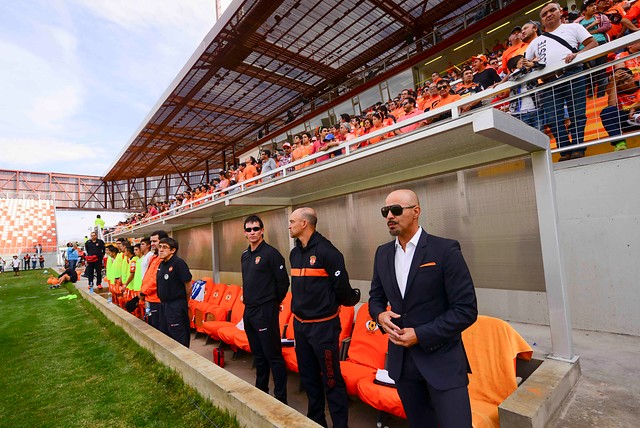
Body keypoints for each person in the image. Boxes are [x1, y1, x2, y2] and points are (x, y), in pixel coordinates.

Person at [369, 189, 478, 428]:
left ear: (416, 212)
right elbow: (375, 298)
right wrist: (379, 314)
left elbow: (466, 310)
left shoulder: (445, 250)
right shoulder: (382, 254)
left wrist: (420, 334)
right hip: (402, 364)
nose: (389, 216)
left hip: (442, 361)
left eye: (396, 210)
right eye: (385, 211)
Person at [288, 207, 359, 428]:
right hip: (300, 328)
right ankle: (316, 421)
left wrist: (351, 298)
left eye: (292, 221)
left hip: (323, 329)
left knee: (331, 379)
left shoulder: (329, 252)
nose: (289, 225)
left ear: (304, 224)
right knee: (309, 379)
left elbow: (342, 290)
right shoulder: (294, 253)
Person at [525, 2, 598, 161]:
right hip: (548, 82)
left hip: (572, 73)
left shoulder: (574, 27)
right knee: (553, 119)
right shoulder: (536, 42)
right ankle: (565, 151)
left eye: (552, 10)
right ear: (542, 21)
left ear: (560, 12)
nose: (548, 15)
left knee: (577, 113)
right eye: (544, 14)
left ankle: (578, 148)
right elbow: (523, 62)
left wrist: (578, 55)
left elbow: (593, 43)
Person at [241, 215, 290, 403]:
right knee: (258, 355)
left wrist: (271, 303)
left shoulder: (271, 254)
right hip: (249, 311)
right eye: (249, 229)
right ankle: (261, 391)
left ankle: (280, 398)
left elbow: (283, 283)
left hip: (265, 311)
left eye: (256, 229)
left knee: (273, 356)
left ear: (262, 230)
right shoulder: (245, 255)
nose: (252, 232)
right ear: (245, 233)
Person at [156, 237, 192, 347]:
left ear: (173, 250)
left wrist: (185, 303)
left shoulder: (178, 263)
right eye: (160, 247)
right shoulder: (162, 264)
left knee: (178, 334)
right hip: (163, 304)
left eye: (165, 247)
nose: (161, 250)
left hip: (176, 305)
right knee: (165, 333)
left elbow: (188, 285)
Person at [599, 67, 639, 151]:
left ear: (634, 76)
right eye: (620, 82)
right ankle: (620, 144)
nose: (625, 83)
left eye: (627, 78)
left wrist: (634, 107)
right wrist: (614, 81)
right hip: (628, 120)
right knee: (606, 112)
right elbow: (611, 106)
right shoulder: (616, 91)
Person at [140, 230, 169, 329]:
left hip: (156, 299)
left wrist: (143, 291)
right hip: (149, 297)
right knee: (151, 324)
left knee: (158, 327)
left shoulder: (162, 259)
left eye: (155, 241)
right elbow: (148, 276)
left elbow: (155, 280)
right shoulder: (154, 257)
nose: (152, 244)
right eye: (151, 241)